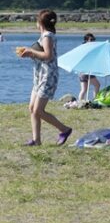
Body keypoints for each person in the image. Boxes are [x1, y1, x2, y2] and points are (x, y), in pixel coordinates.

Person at [18, 10, 72, 146]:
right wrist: (30, 53)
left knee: (38, 110)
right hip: (40, 76)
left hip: (48, 77)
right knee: (32, 108)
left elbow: (48, 55)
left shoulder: (47, 36)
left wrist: (31, 51)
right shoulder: (45, 35)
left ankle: (64, 129)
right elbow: (42, 54)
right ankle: (36, 140)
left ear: (40, 22)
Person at [77, 33, 101, 101]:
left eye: (93, 39)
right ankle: (95, 99)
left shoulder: (83, 47)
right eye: (91, 40)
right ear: (86, 40)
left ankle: (80, 102)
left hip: (81, 72)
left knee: (84, 89)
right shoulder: (86, 48)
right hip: (86, 71)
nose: (93, 41)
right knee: (97, 85)